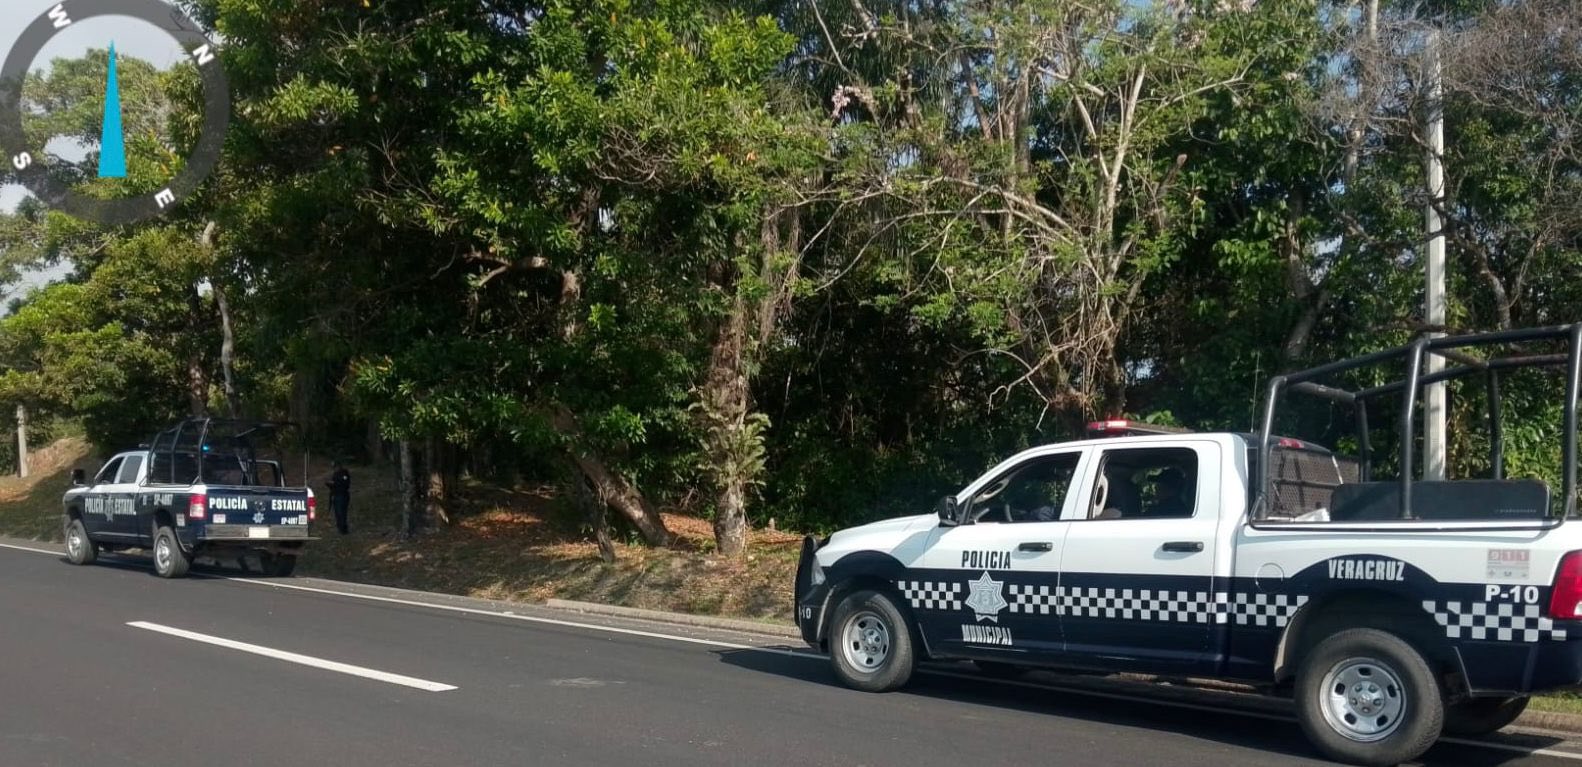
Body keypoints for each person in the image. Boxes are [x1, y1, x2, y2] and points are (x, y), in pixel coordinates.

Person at [328, 461, 351, 534]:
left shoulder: (344, 473)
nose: (334, 469)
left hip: (342, 495)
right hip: (336, 494)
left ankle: (343, 529)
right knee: (337, 513)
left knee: (342, 512)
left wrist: (335, 484)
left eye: (335, 467)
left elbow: (345, 483)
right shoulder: (335, 474)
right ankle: (340, 528)